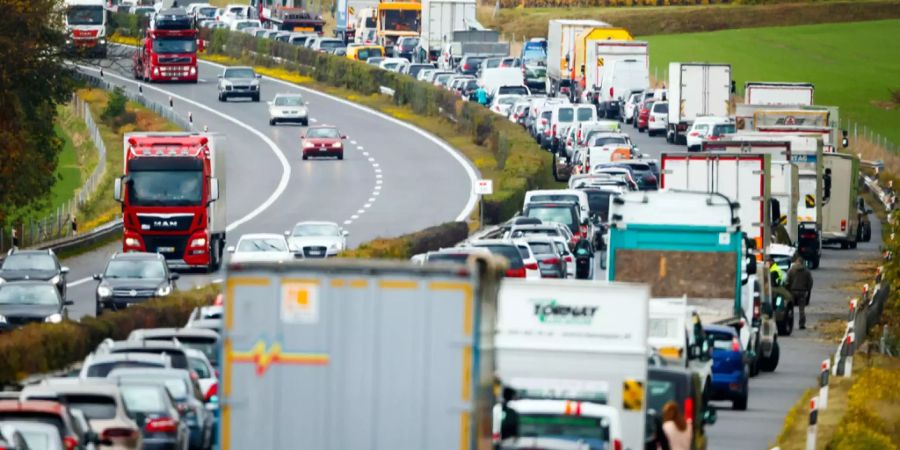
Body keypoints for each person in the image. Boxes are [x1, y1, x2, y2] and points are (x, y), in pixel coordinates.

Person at [787, 254, 814, 329]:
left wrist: (788, 289)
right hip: (802, 291)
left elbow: (787, 280)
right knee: (801, 309)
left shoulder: (792, 269)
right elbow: (810, 282)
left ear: (796, 262)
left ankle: (789, 323)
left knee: (790, 308)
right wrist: (808, 289)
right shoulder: (806, 271)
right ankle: (801, 324)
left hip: (793, 291)